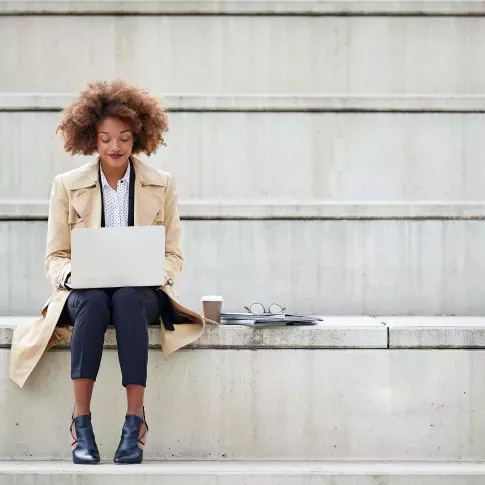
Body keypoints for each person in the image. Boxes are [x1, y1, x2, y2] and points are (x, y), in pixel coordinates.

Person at [9, 79, 210, 464]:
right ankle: (80, 423)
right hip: (84, 292)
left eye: (123, 137)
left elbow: (174, 255)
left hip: (141, 291)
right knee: (94, 300)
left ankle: (134, 422)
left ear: (138, 136)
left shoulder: (161, 183)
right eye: (104, 139)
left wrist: (155, 271)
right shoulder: (67, 186)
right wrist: (75, 274)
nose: (114, 147)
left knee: (128, 298)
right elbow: (55, 256)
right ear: (91, 139)